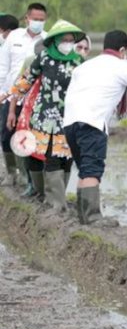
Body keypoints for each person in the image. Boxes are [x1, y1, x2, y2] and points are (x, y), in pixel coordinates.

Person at [63, 30, 127, 226]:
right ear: (122, 50)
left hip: (70, 123)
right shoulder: (121, 67)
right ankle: (92, 217)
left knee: (84, 170)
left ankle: (83, 217)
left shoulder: (85, 66)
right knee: (92, 171)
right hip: (92, 123)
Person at [2, 20, 87, 212]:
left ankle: (59, 198)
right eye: (64, 39)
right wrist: (8, 95)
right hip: (46, 117)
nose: (68, 43)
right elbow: (26, 80)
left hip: (70, 116)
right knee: (51, 157)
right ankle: (54, 202)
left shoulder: (79, 61)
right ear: (56, 41)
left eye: (70, 40)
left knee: (66, 157)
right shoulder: (44, 58)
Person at [0, 3, 47, 185]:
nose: (38, 22)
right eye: (35, 19)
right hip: (11, 95)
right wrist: (3, 92)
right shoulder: (14, 36)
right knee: (6, 134)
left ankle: (28, 178)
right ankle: (12, 172)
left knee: (27, 137)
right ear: (27, 18)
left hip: (34, 99)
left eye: (41, 20)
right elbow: (4, 66)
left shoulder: (47, 40)